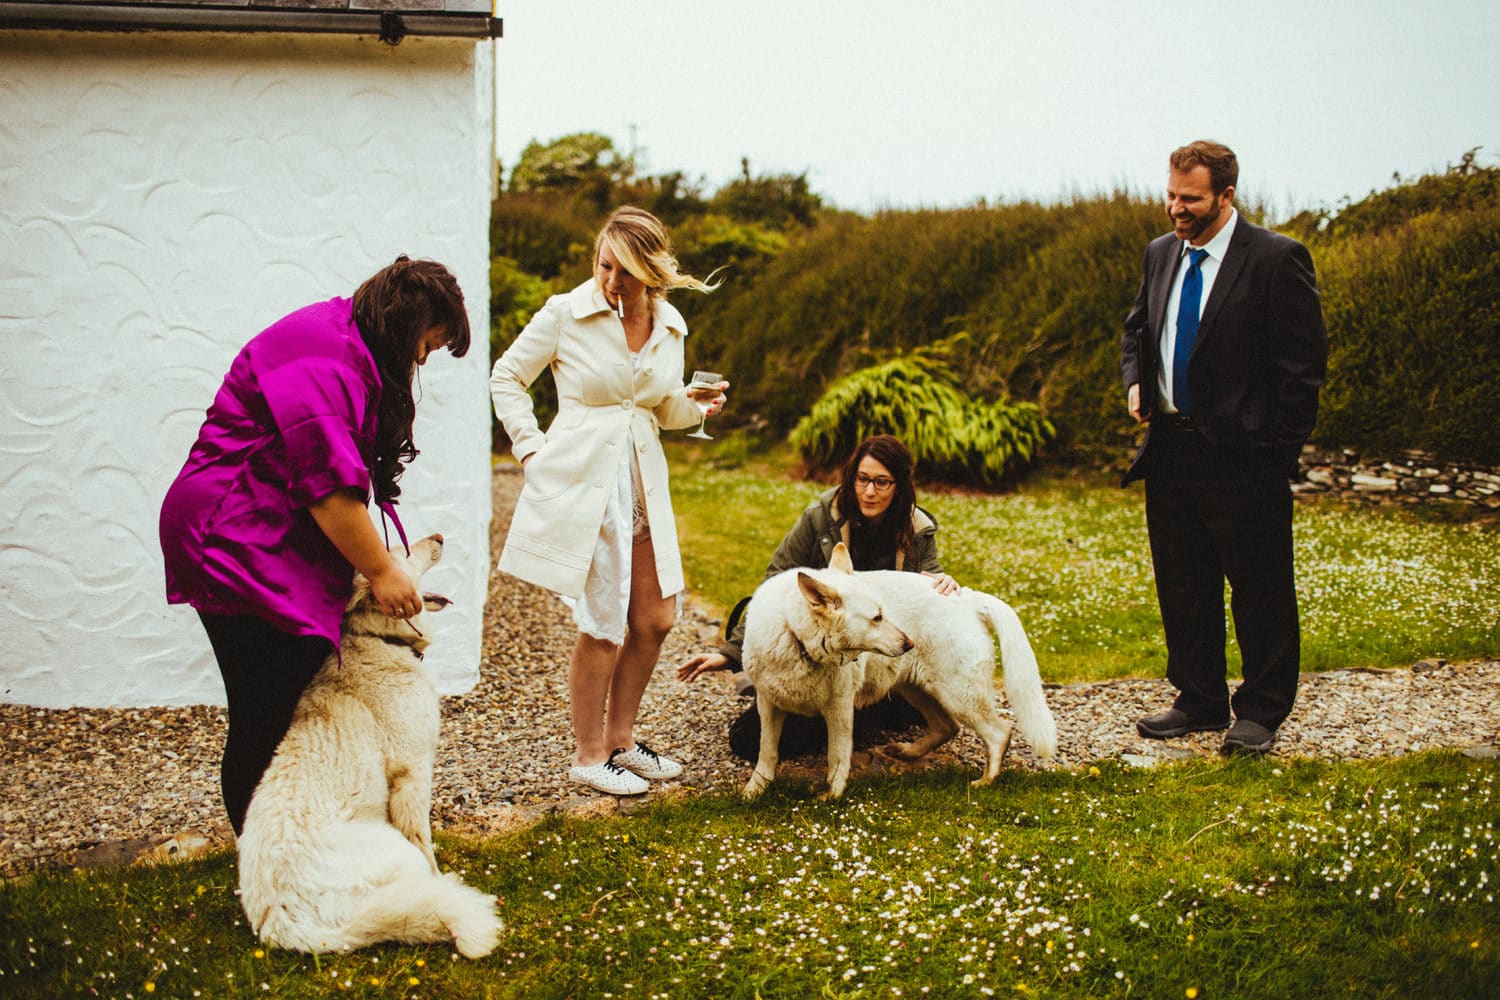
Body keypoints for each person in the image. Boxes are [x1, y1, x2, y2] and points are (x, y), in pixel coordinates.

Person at [159, 256, 472, 835]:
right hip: (230, 534)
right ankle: (274, 864)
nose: (423, 359)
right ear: (406, 325)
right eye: (427, 343)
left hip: (262, 531)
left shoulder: (345, 338)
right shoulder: (326, 360)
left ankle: (307, 837)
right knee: (266, 712)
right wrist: (383, 570)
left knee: (292, 694)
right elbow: (329, 493)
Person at [490, 206, 727, 796]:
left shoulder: (671, 326)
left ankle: (622, 741)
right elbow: (506, 377)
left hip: (644, 478)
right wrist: (531, 449)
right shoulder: (565, 314)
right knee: (603, 621)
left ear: (651, 272)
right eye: (604, 266)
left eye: (625, 270)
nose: (612, 280)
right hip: (584, 479)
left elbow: (659, 407)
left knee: (655, 618)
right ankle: (588, 753)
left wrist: (694, 408)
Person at [1120, 140, 1327, 756]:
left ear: (1226, 195)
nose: (1176, 209)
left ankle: (1261, 711)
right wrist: (1135, 381)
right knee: (1183, 582)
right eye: (1171, 195)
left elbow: (1303, 369)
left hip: (1245, 459)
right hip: (1170, 450)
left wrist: (1275, 456)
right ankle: (1200, 698)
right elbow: (1138, 329)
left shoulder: (1276, 259)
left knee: (1260, 586)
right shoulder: (1161, 254)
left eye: (1191, 199)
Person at [677, 434, 959, 761]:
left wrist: (946, 584)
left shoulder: (917, 528)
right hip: (823, 662)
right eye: (862, 479)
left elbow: (932, 586)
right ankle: (827, 709)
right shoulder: (820, 518)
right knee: (747, 741)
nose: (870, 491)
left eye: (882, 482)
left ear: (899, 485)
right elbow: (775, 586)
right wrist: (730, 654)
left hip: (881, 663)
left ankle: (861, 715)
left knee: (892, 706)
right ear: (850, 478)